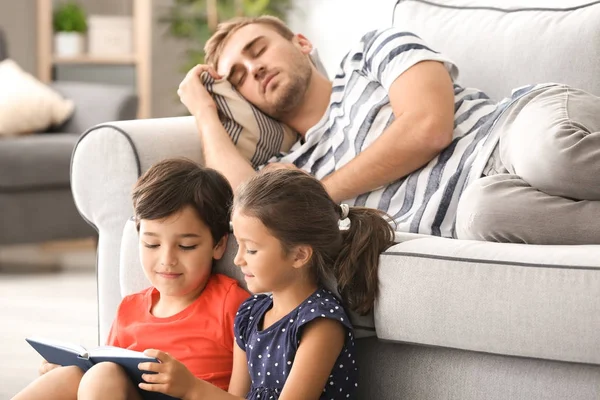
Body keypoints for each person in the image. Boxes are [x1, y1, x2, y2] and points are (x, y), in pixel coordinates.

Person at [177, 16, 600, 245]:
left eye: (258, 49)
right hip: (481, 202)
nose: (255, 69)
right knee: (482, 216)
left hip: (510, 129)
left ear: (302, 43)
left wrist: (321, 193)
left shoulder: (370, 51)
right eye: (239, 76)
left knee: (551, 156)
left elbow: (428, 126)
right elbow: (250, 211)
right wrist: (204, 111)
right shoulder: (286, 168)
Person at [137, 168, 395, 400]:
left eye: (251, 250)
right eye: (239, 246)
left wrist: (193, 388)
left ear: (299, 255)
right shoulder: (250, 314)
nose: (238, 260)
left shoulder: (321, 323)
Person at [12, 158, 250, 400]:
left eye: (186, 246)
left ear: (219, 245)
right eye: (152, 244)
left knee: (100, 375)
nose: (167, 259)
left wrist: (191, 387)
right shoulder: (130, 308)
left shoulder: (233, 305)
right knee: (71, 375)